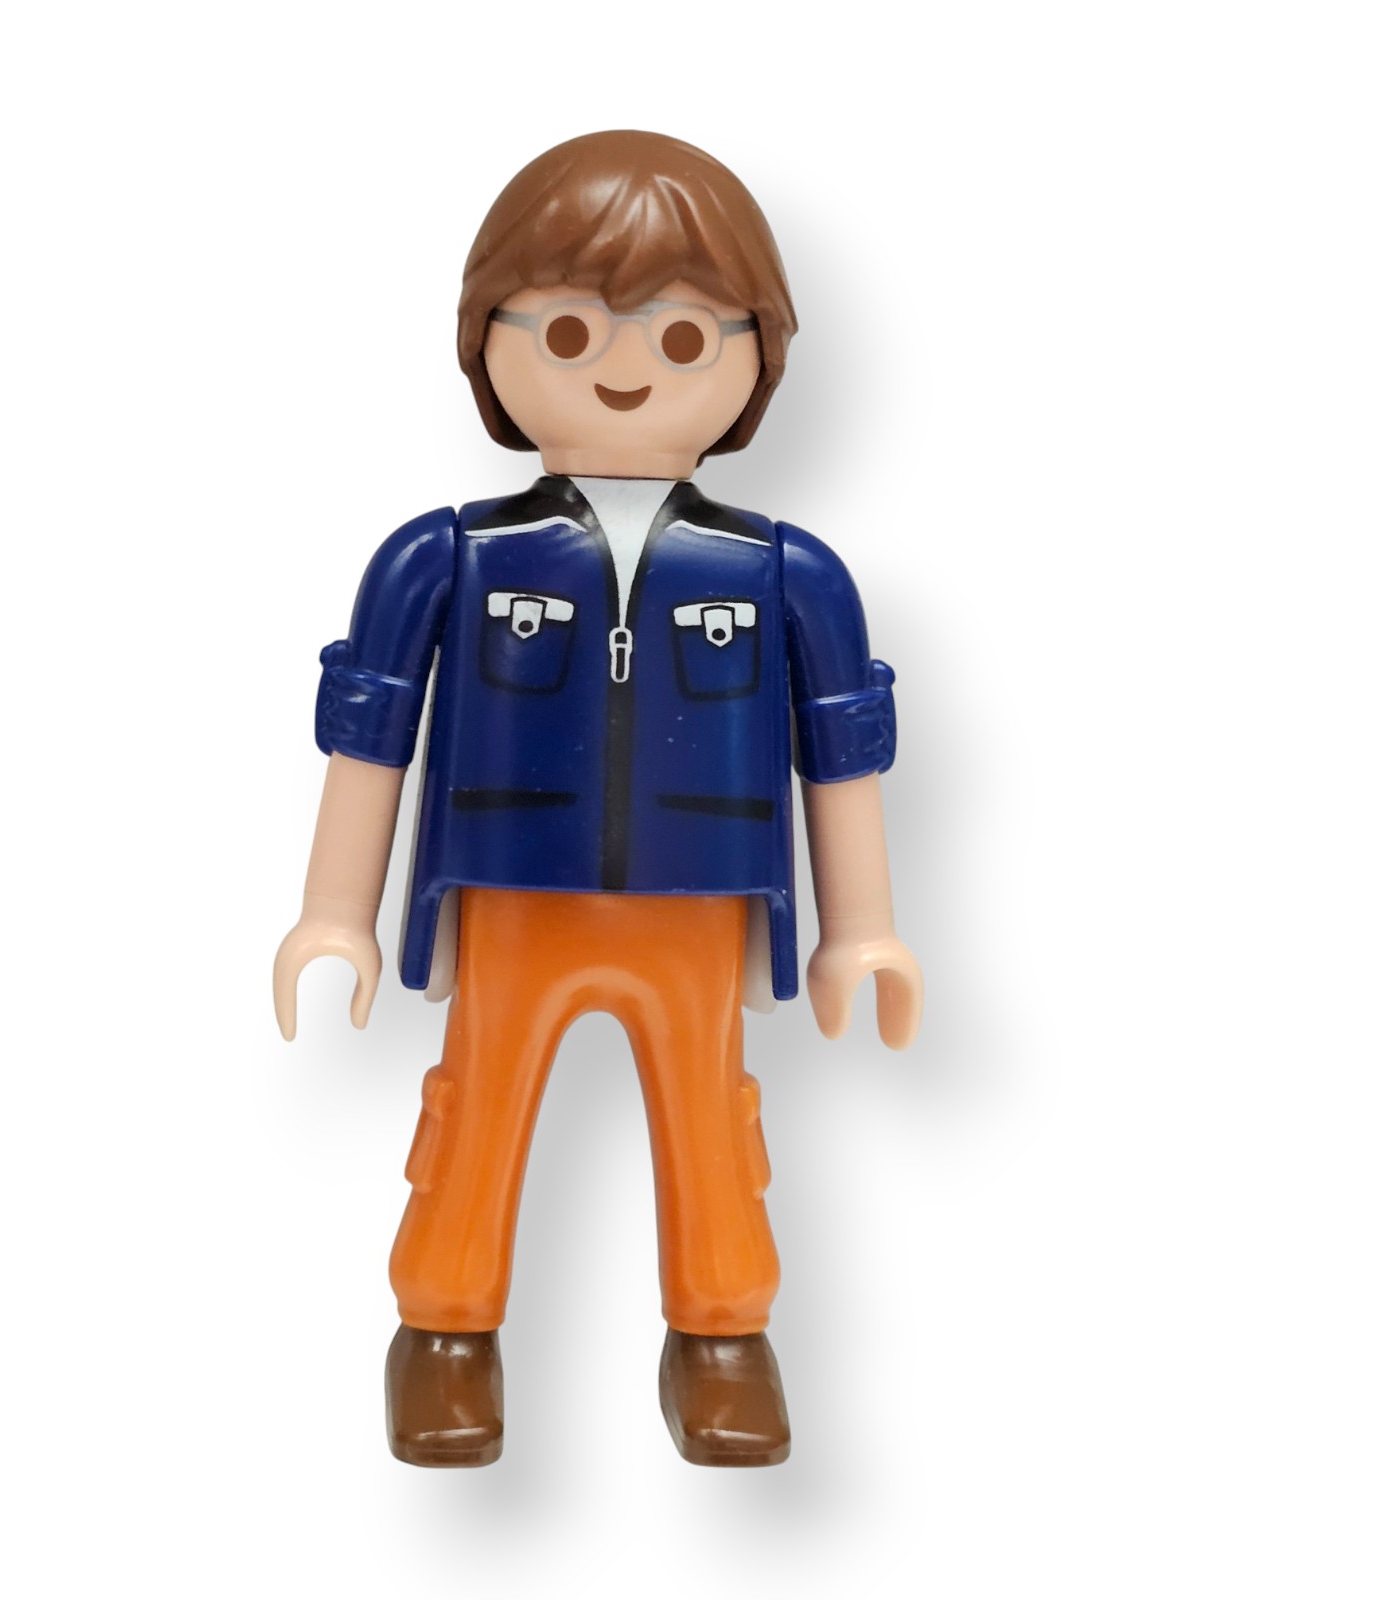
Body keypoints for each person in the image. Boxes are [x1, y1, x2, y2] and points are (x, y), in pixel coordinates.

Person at [274, 130, 923, 1468]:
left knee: (709, 1110)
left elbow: (840, 751)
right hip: (511, 890)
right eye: (570, 330)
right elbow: (372, 736)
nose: (627, 368)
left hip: (699, 899)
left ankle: (723, 1335)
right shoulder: (446, 557)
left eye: (683, 339)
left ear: (754, 360)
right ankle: (445, 1327)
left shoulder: (786, 574)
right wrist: (332, 913)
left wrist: (862, 929)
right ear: (491, 346)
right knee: (480, 1099)